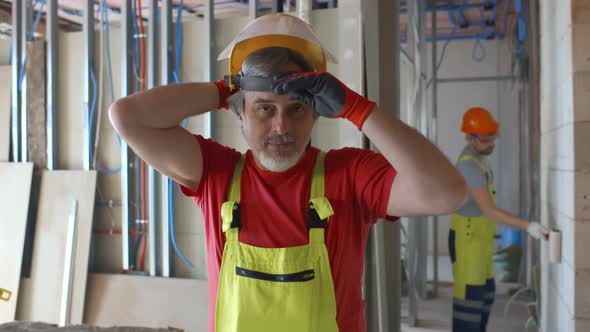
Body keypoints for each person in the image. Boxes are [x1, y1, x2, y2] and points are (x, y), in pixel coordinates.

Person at [110, 14, 467, 332]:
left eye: (296, 108)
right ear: (240, 114)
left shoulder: (349, 175)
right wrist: (228, 88)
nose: (281, 126)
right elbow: (126, 116)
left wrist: (358, 109)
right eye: (264, 108)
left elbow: (446, 192)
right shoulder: (216, 174)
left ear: (316, 114)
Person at [449, 107, 548, 332]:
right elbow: (490, 210)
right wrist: (528, 226)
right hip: (468, 244)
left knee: (486, 296)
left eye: (493, 137)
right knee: (469, 305)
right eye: (485, 139)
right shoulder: (469, 166)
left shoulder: (480, 159)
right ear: (469, 137)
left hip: (479, 242)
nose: (491, 143)